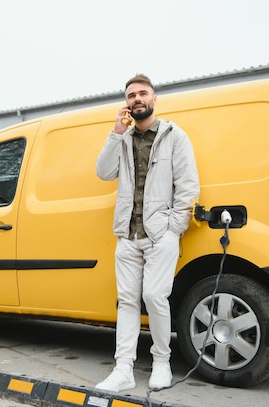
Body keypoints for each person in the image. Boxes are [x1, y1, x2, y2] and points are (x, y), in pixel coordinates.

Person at [95, 74, 200, 392]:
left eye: (143, 93)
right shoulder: (123, 138)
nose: (137, 99)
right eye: (131, 95)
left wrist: (173, 230)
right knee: (126, 301)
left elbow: (188, 186)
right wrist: (115, 133)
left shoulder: (174, 136)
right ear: (126, 103)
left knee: (155, 297)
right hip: (127, 235)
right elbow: (103, 171)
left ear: (154, 99)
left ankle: (161, 363)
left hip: (159, 235)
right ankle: (123, 368)